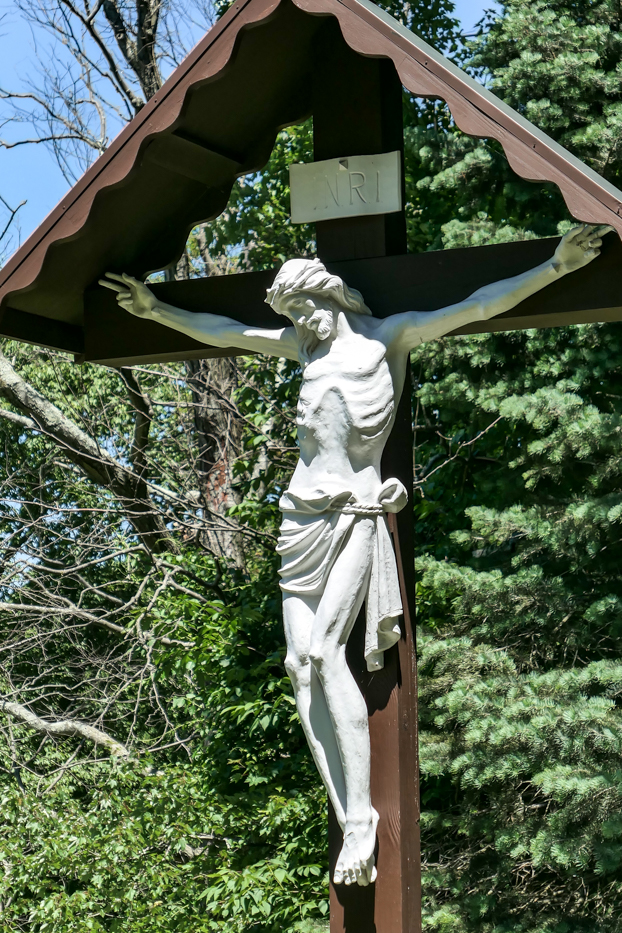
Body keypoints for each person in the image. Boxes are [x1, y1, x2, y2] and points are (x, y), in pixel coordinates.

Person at [101, 222, 611, 887]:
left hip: (355, 514)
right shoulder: (301, 349)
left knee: (323, 653)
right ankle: (349, 815)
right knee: (297, 665)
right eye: (292, 315)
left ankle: (364, 819)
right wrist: (154, 310)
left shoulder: (387, 338)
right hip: (298, 518)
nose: (302, 323)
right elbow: (225, 332)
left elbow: (479, 305)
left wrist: (556, 265)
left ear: (331, 295)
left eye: (306, 308)